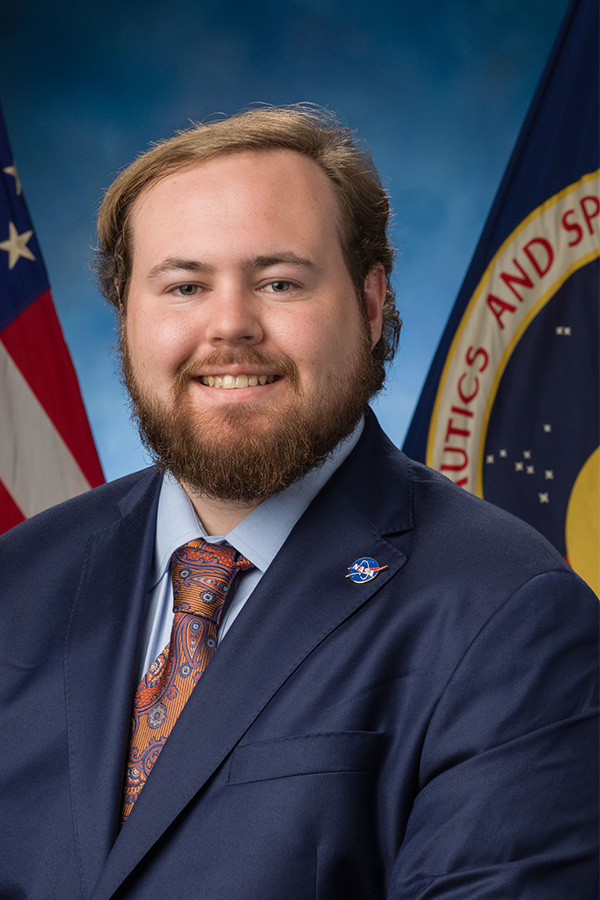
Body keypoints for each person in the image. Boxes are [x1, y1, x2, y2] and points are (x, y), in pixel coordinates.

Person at [0, 105, 597, 900]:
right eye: (184, 285)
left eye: (279, 282)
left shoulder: (509, 615)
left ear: (372, 302)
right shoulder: (19, 580)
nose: (230, 327)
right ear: (125, 320)